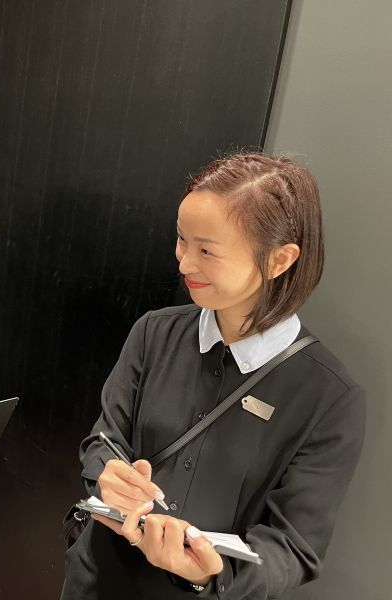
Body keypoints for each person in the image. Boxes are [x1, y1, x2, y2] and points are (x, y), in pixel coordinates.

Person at [61, 153, 365, 599]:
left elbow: (294, 547)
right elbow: (103, 440)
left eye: (206, 250)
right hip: (96, 579)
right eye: (181, 240)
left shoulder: (330, 398)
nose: (184, 263)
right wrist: (109, 473)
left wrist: (208, 573)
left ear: (279, 260)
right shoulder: (153, 332)